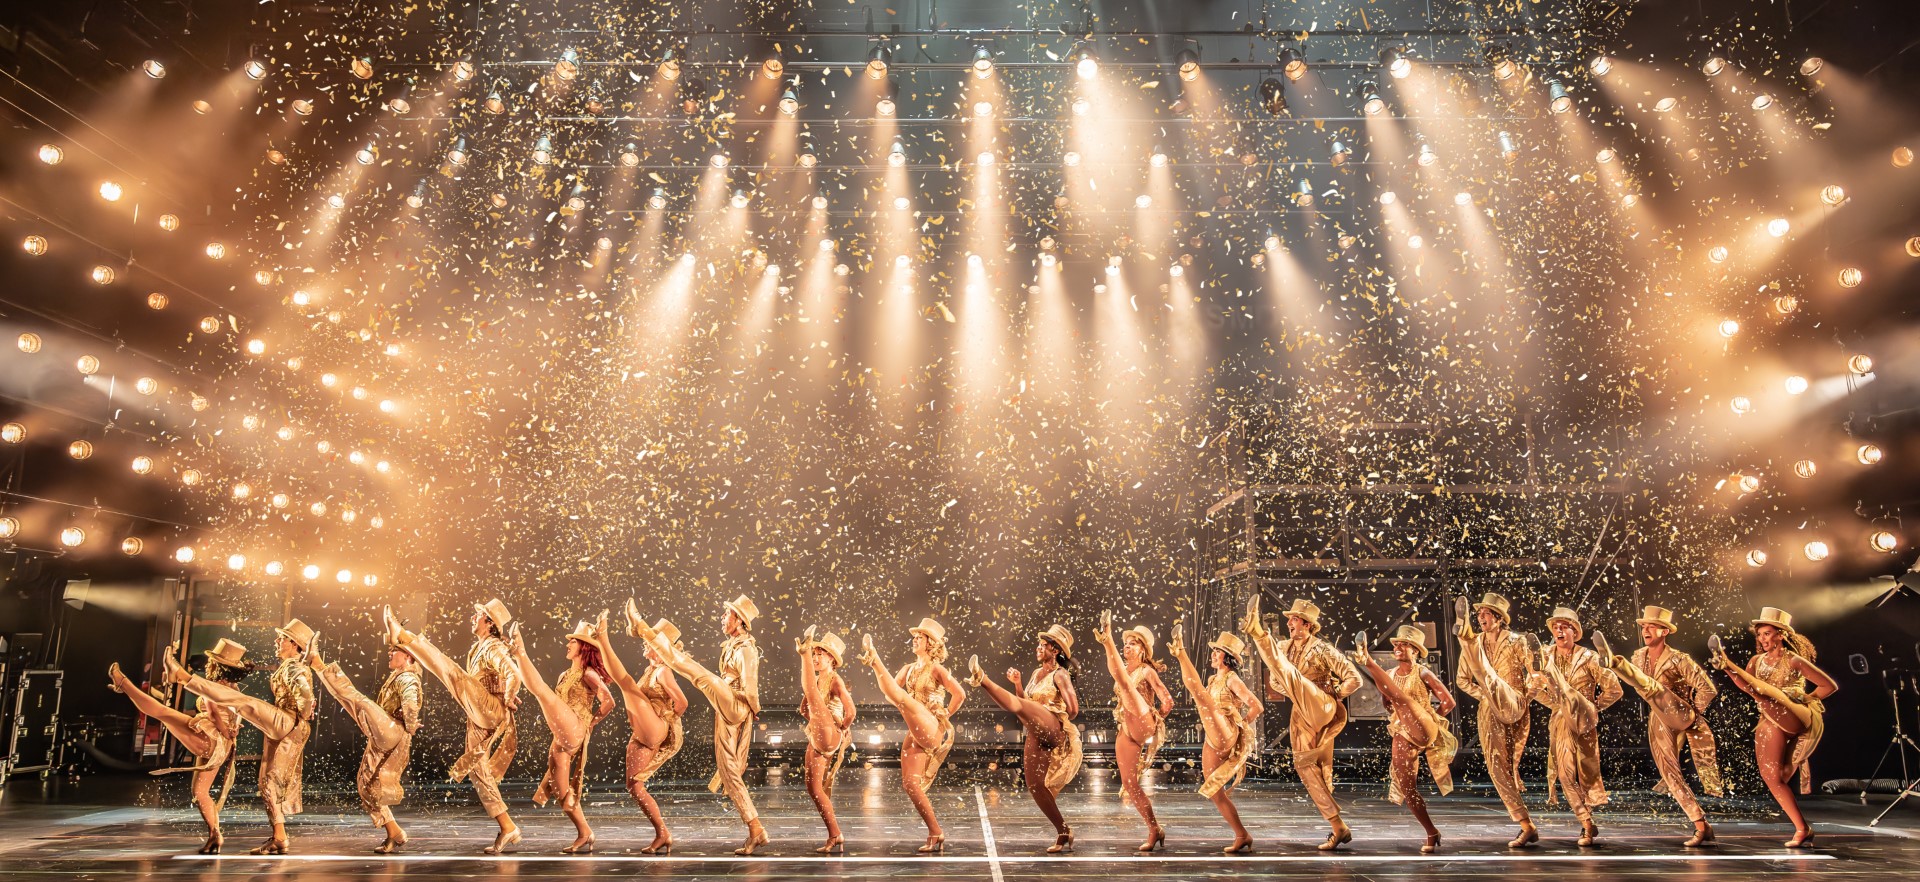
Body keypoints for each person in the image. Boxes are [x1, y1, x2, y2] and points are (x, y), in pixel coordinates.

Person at [382, 601, 524, 854]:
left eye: (478, 615)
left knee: (454, 674)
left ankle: (404, 637)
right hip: (479, 712)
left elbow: (513, 672)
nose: (472, 617)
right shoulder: (477, 648)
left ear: (489, 622)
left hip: (490, 708)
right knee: (477, 771)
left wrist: (510, 696)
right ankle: (507, 826)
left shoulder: (493, 646)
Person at [166, 619, 315, 855]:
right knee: (267, 782)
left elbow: (304, 694)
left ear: (295, 644)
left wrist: (306, 709)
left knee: (246, 703)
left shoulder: (293, 667)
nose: (277, 641)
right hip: (285, 726)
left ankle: (185, 678)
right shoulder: (286, 667)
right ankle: (279, 837)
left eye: (282, 638)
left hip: (289, 721)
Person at [634, 594, 768, 855]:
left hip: (737, 703)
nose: (722, 617)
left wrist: (755, 710)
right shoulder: (731, 646)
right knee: (729, 772)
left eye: (726, 614)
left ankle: (645, 629)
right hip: (725, 707)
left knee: (699, 674)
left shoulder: (747, 650)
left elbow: (750, 687)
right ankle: (756, 829)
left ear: (739, 620)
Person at [1591, 606, 1721, 847]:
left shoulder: (1679, 659)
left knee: (1653, 687)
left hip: (1681, 711)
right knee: (1670, 774)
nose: (1645, 630)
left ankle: (1613, 662)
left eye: (1651, 626)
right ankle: (1701, 825)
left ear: (1664, 631)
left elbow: (1708, 689)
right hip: (1659, 717)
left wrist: (1693, 714)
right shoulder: (1639, 656)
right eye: (1643, 626)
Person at [1710, 607, 1838, 848]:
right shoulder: (1755, 661)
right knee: (1772, 777)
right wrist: (1728, 670)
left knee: (1770, 695)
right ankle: (1803, 829)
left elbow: (1828, 686)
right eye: (1759, 635)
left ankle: (1726, 661)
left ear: (1781, 634)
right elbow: (1748, 687)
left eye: (1767, 633)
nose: (1762, 639)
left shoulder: (1794, 660)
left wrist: (1806, 698)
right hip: (1770, 715)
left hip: (1796, 713)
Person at [108, 640, 248, 854]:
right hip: (221, 745)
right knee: (200, 792)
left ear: (218, 665)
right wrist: (232, 730)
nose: (209, 663)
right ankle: (215, 835)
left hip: (211, 739)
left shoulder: (213, 684)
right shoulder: (234, 687)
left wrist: (226, 729)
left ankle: (124, 684)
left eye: (212, 660)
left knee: (163, 713)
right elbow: (237, 715)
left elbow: (212, 714)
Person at [1243, 596, 1361, 850]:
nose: (1289, 623)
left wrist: (1335, 693)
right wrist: (1288, 688)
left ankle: (1257, 631)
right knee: (1308, 768)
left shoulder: (1323, 649)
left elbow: (1355, 678)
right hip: (1301, 711)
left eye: (1294, 619)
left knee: (1292, 674)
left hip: (1323, 704)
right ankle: (1338, 827)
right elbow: (1277, 675)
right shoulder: (1284, 647)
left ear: (1307, 624)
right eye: (1289, 620)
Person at [968, 624, 1083, 853]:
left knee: (1022, 707)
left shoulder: (1060, 675)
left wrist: (1053, 716)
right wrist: (1018, 685)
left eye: (1044, 645)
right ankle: (1063, 830)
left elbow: (1073, 709)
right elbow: (1023, 703)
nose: (1038, 648)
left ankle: (983, 679)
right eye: (1039, 644)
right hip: (1035, 729)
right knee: (1035, 786)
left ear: (1056, 650)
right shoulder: (1035, 674)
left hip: (1052, 727)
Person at [309, 626, 423, 853]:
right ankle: (394, 832)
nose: (390, 654)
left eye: (394, 651)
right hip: (384, 733)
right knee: (366, 786)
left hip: (393, 730)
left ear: (408, 656)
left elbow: (410, 703)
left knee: (358, 701)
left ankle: (317, 662)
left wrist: (410, 725)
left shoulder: (408, 677)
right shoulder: (398, 676)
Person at [859, 617, 966, 853]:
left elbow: (960, 694)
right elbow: (891, 692)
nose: (915, 640)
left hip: (932, 726)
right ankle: (935, 832)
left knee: (902, 699)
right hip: (916, 728)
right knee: (910, 784)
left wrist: (946, 711)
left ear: (931, 643)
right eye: (914, 636)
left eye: (920, 637)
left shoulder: (937, 669)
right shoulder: (908, 669)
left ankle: (874, 658)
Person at [508, 619, 615, 854]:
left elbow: (609, 702)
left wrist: (591, 723)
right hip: (561, 737)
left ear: (583, 648)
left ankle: (520, 652)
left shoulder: (588, 673)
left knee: (541, 692)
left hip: (575, 727)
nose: (568, 645)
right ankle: (585, 832)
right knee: (562, 792)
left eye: (573, 641)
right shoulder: (565, 674)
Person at [1349, 626, 1456, 853]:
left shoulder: (1423, 673)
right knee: (1408, 788)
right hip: (1403, 729)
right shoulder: (1390, 675)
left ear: (1415, 651)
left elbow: (1448, 702)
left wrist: (1434, 718)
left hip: (1424, 724)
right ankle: (1431, 831)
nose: (1397, 647)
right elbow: (1389, 701)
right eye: (1396, 644)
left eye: (1403, 644)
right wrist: (1388, 701)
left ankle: (1366, 659)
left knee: (1403, 699)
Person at [593, 601, 687, 854]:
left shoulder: (664, 671)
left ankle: (603, 639)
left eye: (650, 645)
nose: (646, 648)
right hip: (643, 732)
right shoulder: (651, 670)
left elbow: (682, 703)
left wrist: (664, 718)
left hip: (656, 728)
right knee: (634, 785)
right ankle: (662, 834)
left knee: (626, 683)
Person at [1452, 593, 1541, 847]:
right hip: (1490, 707)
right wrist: (1485, 696)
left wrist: (1527, 697)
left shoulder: (1517, 641)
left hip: (1514, 699)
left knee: (1490, 675)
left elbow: (1536, 674)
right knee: (1496, 767)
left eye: (1486, 613)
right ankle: (1526, 824)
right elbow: (1462, 680)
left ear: (1499, 619)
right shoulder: (1481, 641)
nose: (1482, 616)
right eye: (1478, 614)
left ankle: (1463, 636)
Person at [1529, 608, 1621, 847]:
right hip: (1562, 719)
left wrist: (1594, 707)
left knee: (1586, 774)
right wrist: (1555, 705)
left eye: (1564, 626)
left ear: (1575, 631)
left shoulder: (1588, 657)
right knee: (1566, 774)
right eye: (1555, 626)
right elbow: (1535, 688)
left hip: (1584, 715)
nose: (1559, 630)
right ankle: (1587, 823)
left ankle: (1588, 822)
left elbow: (1615, 690)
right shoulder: (1547, 652)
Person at [1168, 623, 1261, 853]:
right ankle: (1242, 834)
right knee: (1214, 792)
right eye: (1214, 650)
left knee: (1200, 696)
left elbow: (1256, 706)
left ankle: (1180, 653)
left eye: (1217, 651)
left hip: (1226, 729)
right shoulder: (1212, 680)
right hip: (1212, 736)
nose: (1213, 654)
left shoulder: (1232, 679)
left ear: (1227, 658)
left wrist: (1241, 724)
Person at [1093, 610, 1173, 852]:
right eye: (1125, 644)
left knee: (1127, 687)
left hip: (1144, 718)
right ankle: (1154, 828)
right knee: (1129, 783)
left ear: (1142, 650)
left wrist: (1158, 717)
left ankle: (1106, 639)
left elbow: (1166, 699)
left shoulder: (1146, 671)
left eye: (1132, 644)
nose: (1128, 647)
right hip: (1126, 727)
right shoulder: (1123, 671)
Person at [796, 628, 856, 854]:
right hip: (817, 732)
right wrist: (813, 718)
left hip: (830, 731)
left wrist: (842, 727)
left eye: (819, 654)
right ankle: (835, 834)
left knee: (811, 692)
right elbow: (805, 707)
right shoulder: (818, 680)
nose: (816, 657)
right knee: (813, 788)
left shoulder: (835, 679)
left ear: (831, 658)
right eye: (814, 654)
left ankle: (835, 834)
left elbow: (851, 710)